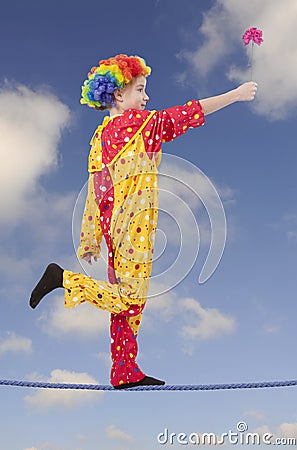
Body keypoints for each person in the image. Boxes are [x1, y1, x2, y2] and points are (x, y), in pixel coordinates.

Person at [30, 54, 257, 389]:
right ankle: (63, 279)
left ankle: (124, 369)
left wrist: (90, 236)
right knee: (129, 298)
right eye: (140, 89)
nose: (146, 97)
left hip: (111, 227)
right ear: (119, 95)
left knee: (126, 302)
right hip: (135, 228)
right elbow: (190, 112)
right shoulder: (143, 125)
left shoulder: (99, 139)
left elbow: (96, 187)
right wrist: (234, 95)